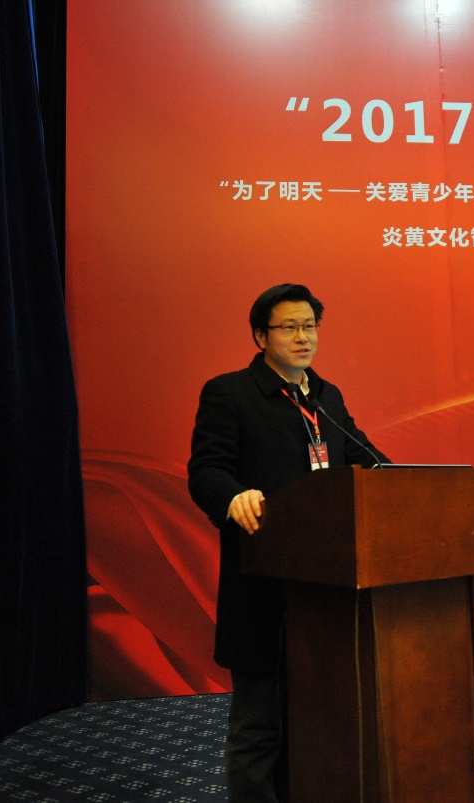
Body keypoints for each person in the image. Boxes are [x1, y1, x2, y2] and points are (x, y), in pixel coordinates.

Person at [187, 283, 388, 803]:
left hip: (326, 586)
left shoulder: (326, 396)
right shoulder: (230, 393)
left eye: (310, 326)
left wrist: (401, 483)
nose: (304, 338)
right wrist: (233, 496)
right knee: (259, 724)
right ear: (261, 336)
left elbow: (362, 458)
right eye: (290, 327)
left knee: (316, 719)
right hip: (263, 582)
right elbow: (206, 470)